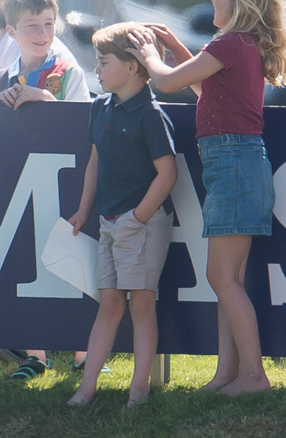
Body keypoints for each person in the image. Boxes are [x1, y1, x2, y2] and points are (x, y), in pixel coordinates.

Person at [126, 0, 286, 395]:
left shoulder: (230, 43)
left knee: (221, 278)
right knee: (227, 278)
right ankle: (227, 372)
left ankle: (253, 375)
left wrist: (151, 56)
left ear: (238, 0)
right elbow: (202, 89)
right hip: (237, 163)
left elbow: (169, 83)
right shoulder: (238, 46)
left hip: (232, 163)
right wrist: (174, 47)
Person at [67, 21, 177, 408]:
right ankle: (86, 389)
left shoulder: (150, 114)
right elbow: (95, 163)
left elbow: (168, 173)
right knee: (110, 303)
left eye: (103, 62)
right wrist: (84, 211)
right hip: (109, 223)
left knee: (141, 305)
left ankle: (139, 392)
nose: (96, 69)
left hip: (142, 225)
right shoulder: (99, 108)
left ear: (132, 67)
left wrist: (139, 216)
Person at [0, 0, 91, 378]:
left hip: (68, 186)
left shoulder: (66, 70)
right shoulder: (5, 76)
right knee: (25, 263)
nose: (43, 33)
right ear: (11, 32)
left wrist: (47, 101)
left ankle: (84, 354)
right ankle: (35, 354)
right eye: (32, 26)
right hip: (20, 190)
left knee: (73, 264)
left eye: (49, 24)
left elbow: (86, 126)